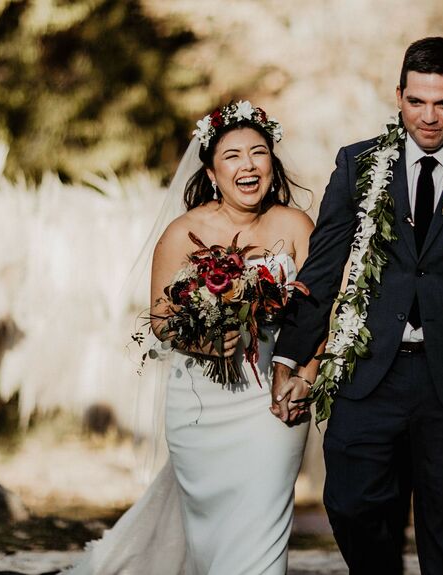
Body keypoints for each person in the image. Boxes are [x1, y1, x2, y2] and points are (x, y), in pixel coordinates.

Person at [271, 37, 443, 575]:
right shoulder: (358, 164)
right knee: (349, 506)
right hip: (369, 371)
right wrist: (289, 356)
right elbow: (323, 266)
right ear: (398, 96)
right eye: (417, 101)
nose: (429, 116)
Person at [63, 101, 316, 575]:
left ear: (272, 163)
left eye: (258, 153)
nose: (248, 165)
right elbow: (161, 318)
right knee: (213, 534)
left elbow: (323, 311)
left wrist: (308, 377)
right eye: (233, 156)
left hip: (272, 399)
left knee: (263, 525)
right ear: (212, 171)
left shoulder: (295, 225)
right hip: (200, 405)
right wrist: (203, 342)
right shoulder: (183, 233)